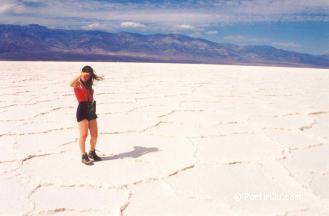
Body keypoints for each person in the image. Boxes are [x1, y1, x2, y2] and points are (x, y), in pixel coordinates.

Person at [69, 65, 104, 165]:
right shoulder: (78, 83)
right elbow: (70, 84)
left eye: (88, 75)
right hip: (82, 109)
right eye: (85, 75)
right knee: (83, 135)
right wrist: (80, 75)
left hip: (91, 109)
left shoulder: (89, 84)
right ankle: (84, 155)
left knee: (95, 135)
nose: (86, 77)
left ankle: (92, 152)